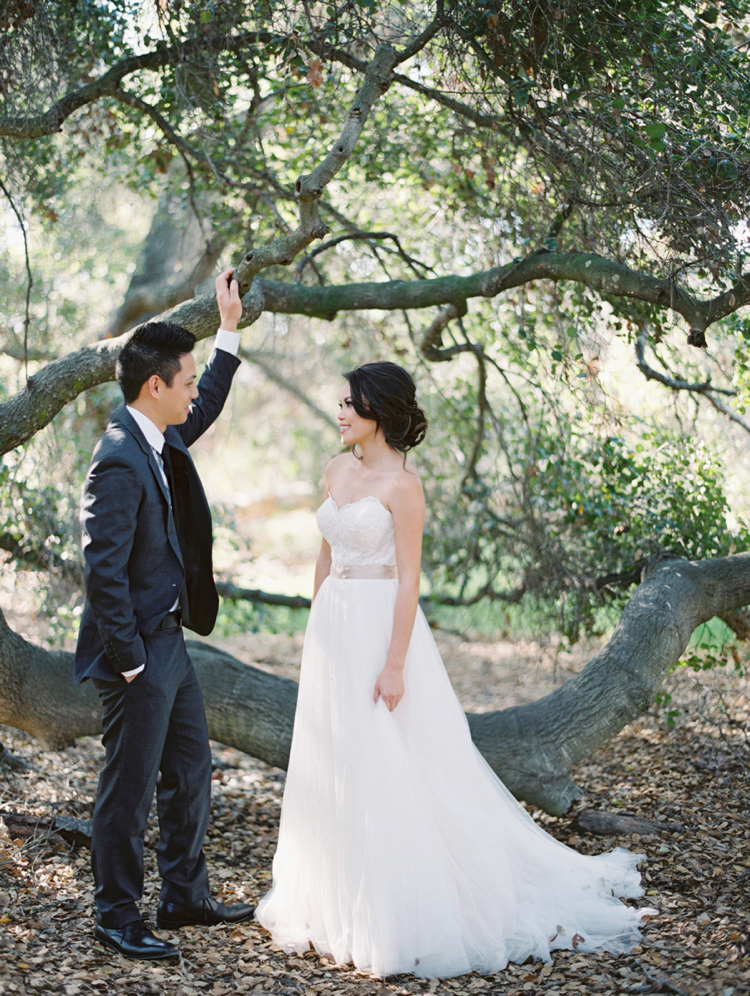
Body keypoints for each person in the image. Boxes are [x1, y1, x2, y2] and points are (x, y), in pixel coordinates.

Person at [255, 361, 653, 979]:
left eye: (348, 404)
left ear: (377, 414)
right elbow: (325, 555)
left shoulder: (403, 487)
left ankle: (396, 910)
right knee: (338, 758)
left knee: (387, 761)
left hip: (380, 626)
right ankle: (335, 901)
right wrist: (315, 631)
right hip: (334, 627)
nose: (338, 414)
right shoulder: (336, 469)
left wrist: (393, 664)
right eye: (338, 402)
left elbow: (410, 580)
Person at [74, 270, 254, 961]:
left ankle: (184, 897)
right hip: (137, 654)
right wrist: (129, 660)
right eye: (184, 381)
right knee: (128, 787)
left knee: (190, 771)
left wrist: (228, 328)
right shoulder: (118, 461)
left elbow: (205, 402)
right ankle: (116, 914)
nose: (192, 391)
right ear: (155, 387)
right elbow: (103, 573)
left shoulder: (160, 433)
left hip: (171, 644)